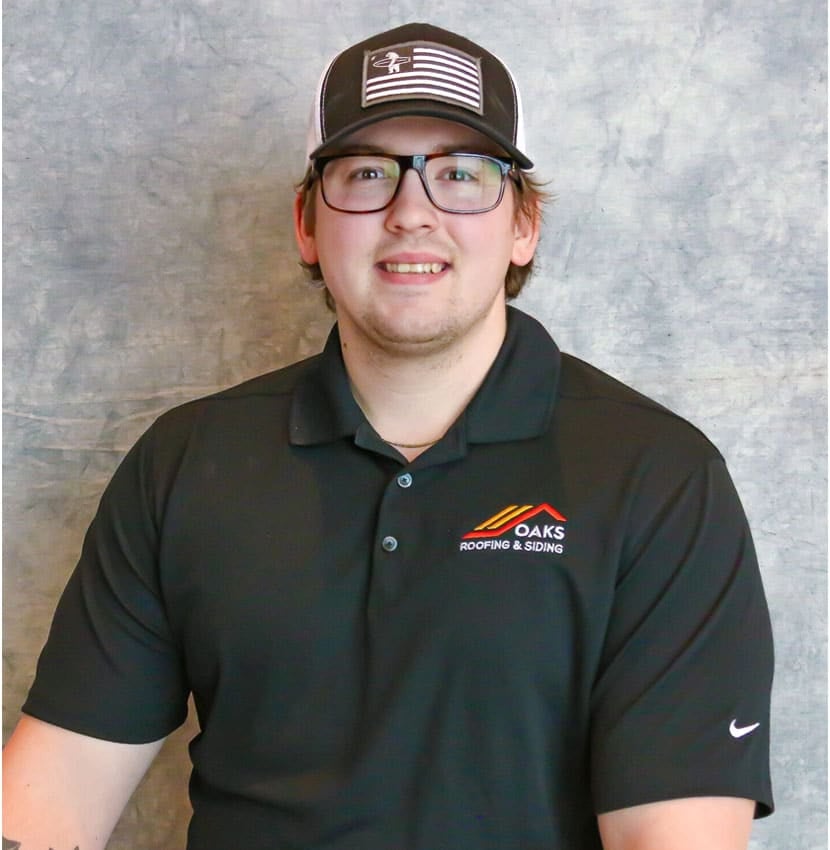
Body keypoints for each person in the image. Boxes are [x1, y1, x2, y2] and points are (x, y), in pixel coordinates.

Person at [3, 22, 774, 850]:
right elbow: (53, 799)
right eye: (367, 173)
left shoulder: (657, 476)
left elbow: (673, 837)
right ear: (307, 224)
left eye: (462, 175)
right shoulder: (187, 462)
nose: (413, 213)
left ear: (524, 226)